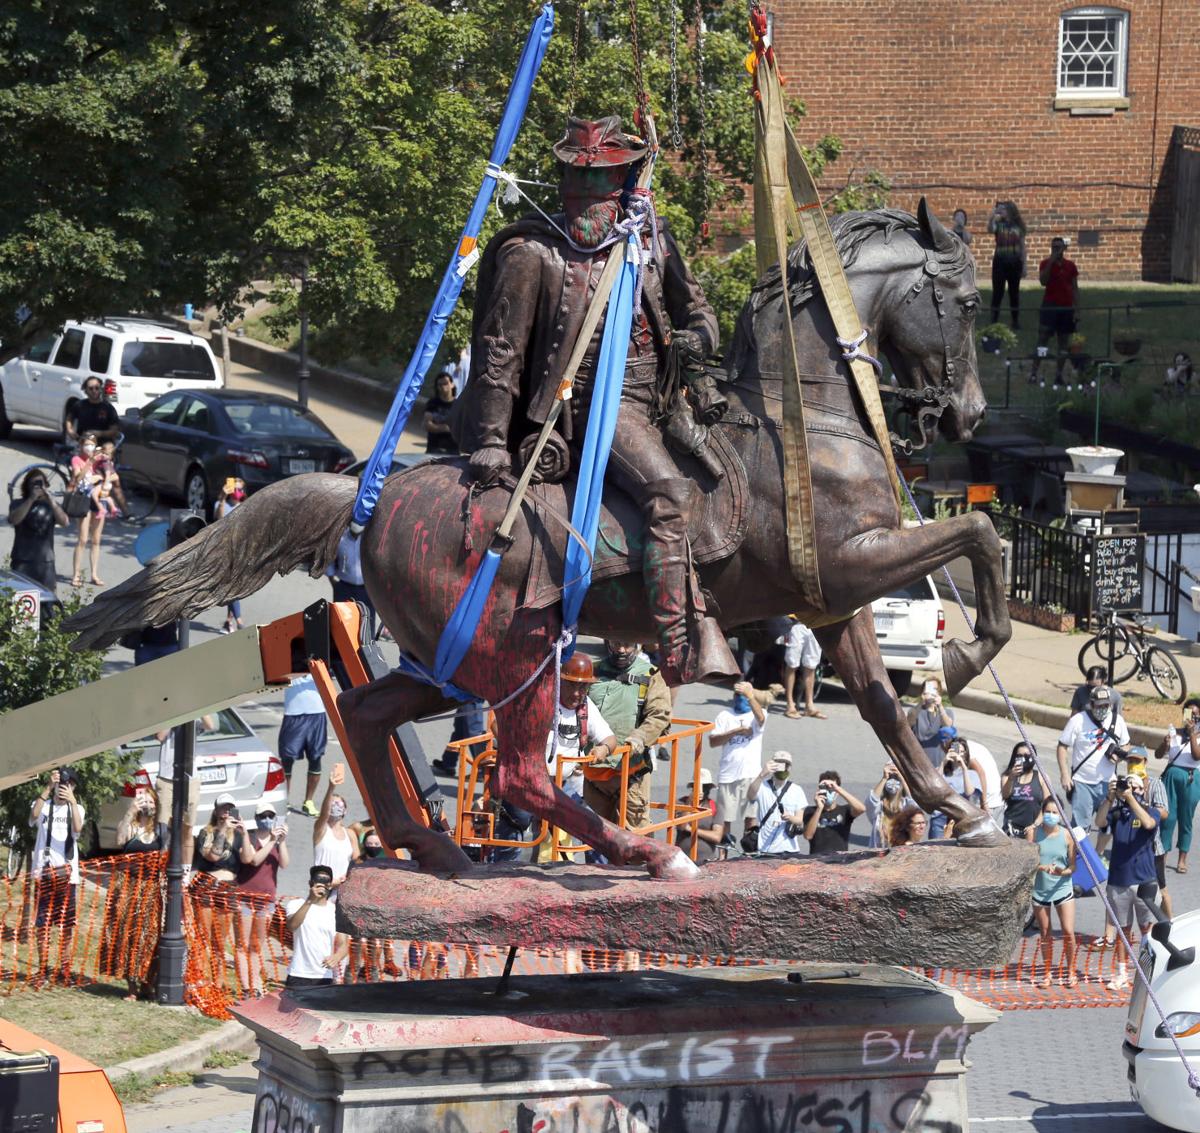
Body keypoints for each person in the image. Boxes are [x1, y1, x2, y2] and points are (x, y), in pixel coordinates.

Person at [453, 115, 723, 686]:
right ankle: (677, 641)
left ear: (626, 182)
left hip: (667, 400)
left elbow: (697, 310)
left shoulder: (650, 239)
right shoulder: (533, 252)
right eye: (580, 180)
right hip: (600, 408)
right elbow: (500, 349)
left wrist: (696, 339)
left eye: (604, 180)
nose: (590, 197)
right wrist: (492, 440)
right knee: (671, 496)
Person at [584, 639, 672, 829]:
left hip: (631, 773)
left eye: (628, 644)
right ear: (608, 643)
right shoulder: (593, 671)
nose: (622, 650)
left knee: (635, 838)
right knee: (595, 839)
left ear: (638, 645)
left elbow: (660, 715)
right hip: (595, 774)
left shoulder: (650, 674)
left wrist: (639, 737)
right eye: (616, 644)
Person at [1096, 769, 1160, 991]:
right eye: (1127, 785)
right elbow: (1100, 821)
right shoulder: (1116, 813)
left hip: (1144, 881)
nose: (1128, 789)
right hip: (1118, 880)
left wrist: (1131, 798)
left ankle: (1148, 972)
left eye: (1134, 786)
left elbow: (1149, 824)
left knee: (1147, 931)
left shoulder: (1151, 810)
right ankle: (1122, 972)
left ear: (1142, 790)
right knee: (1122, 930)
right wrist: (1110, 797)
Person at [103, 778, 166, 999]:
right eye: (143, 801)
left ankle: (148, 982)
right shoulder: (131, 826)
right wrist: (130, 812)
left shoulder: (160, 831)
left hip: (151, 890)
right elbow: (120, 839)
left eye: (151, 802)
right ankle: (131, 988)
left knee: (149, 938)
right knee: (127, 936)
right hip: (129, 888)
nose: (147, 805)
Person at [29, 768, 84, 984]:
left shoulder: (77, 808)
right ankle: (42, 969)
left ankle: (65, 970)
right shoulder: (45, 805)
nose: (63, 788)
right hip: (44, 871)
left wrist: (71, 801)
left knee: (67, 924)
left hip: (67, 874)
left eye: (67, 785)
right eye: (61, 784)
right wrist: (48, 788)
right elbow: (33, 817)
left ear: (73, 787)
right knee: (42, 924)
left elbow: (78, 829)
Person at [1057, 685, 1129, 839]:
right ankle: (1077, 859)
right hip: (1082, 783)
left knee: (1107, 824)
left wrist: (1119, 755)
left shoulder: (1118, 721)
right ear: (1091, 704)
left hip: (1108, 783)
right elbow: (1062, 747)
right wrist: (1064, 774)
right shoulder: (1078, 720)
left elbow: (1126, 744)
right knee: (1080, 829)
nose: (1102, 709)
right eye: (1099, 705)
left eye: (1106, 705)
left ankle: (1098, 856)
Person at [236, 799, 289, 998]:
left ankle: (255, 984)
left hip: (266, 900)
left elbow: (284, 863)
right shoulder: (249, 838)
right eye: (263, 816)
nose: (267, 820)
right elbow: (252, 859)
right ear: (256, 819)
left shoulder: (277, 841)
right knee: (242, 944)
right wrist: (273, 841)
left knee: (257, 945)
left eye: (270, 816)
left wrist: (281, 842)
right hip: (245, 897)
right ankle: (245, 986)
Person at [1026, 798, 1077, 988]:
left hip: (1063, 887)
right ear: (1042, 812)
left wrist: (1061, 871)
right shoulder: (1033, 833)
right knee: (1045, 933)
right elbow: (1027, 863)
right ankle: (1047, 973)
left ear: (1061, 815)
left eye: (1055, 812)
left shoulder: (1067, 835)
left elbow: (1073, 867)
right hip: (1040, 890)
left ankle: (1070, 970)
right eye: (1048, 811)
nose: (1051, 815)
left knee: (1068, 932)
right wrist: (1042, 868)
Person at [710, 681, 768, 838]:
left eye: (744, 695)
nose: (740, 698)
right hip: (728, 775)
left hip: (750, 775)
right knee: (724, 820)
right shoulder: (724, 715)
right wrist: (735, 732)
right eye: (738, 694)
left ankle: (750, 852)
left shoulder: (757, 713)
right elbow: (713, 742)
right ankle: (724, 856)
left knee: (750, 817)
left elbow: (761, 719)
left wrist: (750, 695)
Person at [284, 865, 349, 989]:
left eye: (325, 882)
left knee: (317, 1009)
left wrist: (337, 957)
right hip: (298, 973)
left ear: (330, 885)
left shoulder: (336, 912)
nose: (322, 885)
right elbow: (292, 926)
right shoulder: (296, 904)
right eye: (318, 880)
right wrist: (309, 900)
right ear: (310, 883)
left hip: (324, 976)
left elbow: (343, 945)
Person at [1156, 699, 1200, 875]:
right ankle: (1162, 854)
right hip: (1171, 777)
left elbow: (1197, 757)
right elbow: (1159, 755)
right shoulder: (1174, 732)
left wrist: (1193, 735)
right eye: (1189, 714)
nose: (1192, 718)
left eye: (1196, 715)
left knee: (1185, 818)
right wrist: (1164, 744)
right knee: (1167, 817)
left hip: (1192, 778)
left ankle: (1182, 858)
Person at [8, 468, 69, 593]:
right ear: (27, 486)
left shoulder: (52, 505)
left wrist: (50, 500)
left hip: (46, 562)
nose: (38, 487)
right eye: (34, 484)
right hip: (22, 561)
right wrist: (31, 499)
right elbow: (15, 520)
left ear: (46, 485)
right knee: (21, 601)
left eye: (41, 483)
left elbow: (64, 522)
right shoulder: (17, 503)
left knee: (48, 602)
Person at [1029, 236, 1080, 387]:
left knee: (1063, 343)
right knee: (1043, 340)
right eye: (1054, 247)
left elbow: (1075, 288)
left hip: (1066, 308)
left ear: (1064, 249)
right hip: (1050, 306)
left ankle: (1059, 374)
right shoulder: (1045, 263)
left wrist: (1077, 309)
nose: (1057, 250)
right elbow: (1043, 281)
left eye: (1059, 247)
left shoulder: (1070, 266)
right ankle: (1033, 372)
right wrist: (1051, 261)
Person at [280, 675, 328, 817]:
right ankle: (284, 800)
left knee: (315, 757)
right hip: (293, 713)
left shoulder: (320, 655)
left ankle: (308, 802)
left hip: (317, 713)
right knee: (287, 759)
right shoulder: (288, 655)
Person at [746, 752, 808, 855]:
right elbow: (750, 796)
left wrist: (790, 817)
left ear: (790, 768)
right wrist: (761, 775)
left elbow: (799, 820)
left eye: (786, 765)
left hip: (789, 849)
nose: (783, 768)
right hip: (765, 850)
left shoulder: (797, 790)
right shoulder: (762, 786)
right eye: (779, 764)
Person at [313, 762, 359, 897]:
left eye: (339, 803)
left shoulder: (349, 834)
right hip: (321, 887)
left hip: (341, 890)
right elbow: (324, 814)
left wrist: (347, 877)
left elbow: (357, 859)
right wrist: (331, 788)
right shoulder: (321, 829)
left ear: (345, 810)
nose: (335, 806)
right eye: (332, 803)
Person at [68, 432, 107, 587]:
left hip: (98, 499)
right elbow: (78, 477)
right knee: (83, 539)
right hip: (83, 499)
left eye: (92, 444)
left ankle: (94, 574)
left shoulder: (101, 460)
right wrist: (90, 461)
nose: (89, 447)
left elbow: (110, 475)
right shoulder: (77, 459)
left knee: (96, 540)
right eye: (86, 444)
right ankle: (76, 575)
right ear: (81, 446)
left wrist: (101, 476)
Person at [929, 733, 982, 840]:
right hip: (940, 817)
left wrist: (963, 767)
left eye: (962, 752)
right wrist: (944, 762)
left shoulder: (972, 774)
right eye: (955, 750)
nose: (958, 754)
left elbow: (969, 793)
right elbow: (933, 786)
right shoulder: (941, 770)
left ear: (966, 754)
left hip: (961, 818)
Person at [801, 770, 865, 854]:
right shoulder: (810, 811)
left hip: (840, 860)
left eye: (831, 789)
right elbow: (808, 836)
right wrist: (819, 808)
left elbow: (861, 809)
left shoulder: (844, 810)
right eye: (826, 789)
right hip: (817, 860)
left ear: (837, 792)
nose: (829, 792)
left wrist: (838, 789)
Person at [987, 200, 1026, 328]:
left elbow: (1022, 246)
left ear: (1010, 211)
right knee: (997, 292)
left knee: (1014, 293)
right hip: (1000, 262)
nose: (1001, 211)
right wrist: (992, 216)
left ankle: (1015, 321)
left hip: (1015, 262)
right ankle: (993, 320)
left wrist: (1024, 265)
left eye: (1003, 209)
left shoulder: (1018, 226)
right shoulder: (998, 224)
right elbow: (990, 229)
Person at [1000, 741, 1052, 837]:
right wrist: (1011, 778)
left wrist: (1036, 824)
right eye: (1019, 755)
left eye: (1027, 755)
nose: (1024, 759)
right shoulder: (1007, 776)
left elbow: (1048, 805)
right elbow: (1005, 795)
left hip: (1033, 829)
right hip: (1011, 829)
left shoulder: (1042, 777)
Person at [674, 768, 724, 864]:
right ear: (693, 787)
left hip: (706, 860)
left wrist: (691, 829)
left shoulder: (714, 806)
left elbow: (717, 836)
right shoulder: (681, 803)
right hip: (683, 859)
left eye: (705, 787)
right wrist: (690, 802)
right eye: (699, 786)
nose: (702, 790)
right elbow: (681, 826)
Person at [216, 478, 246, 633]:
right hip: (224, 553)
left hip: (240, 553)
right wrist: (221, 498)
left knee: (233, 588)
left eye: (241, 489)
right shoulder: (222, 504)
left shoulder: (246, 507)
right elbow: (220, 521)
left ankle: (229, 622)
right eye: (236, 488)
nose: (238, 492)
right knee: (232, 588)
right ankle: (239, 621)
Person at [780, 618, 825, 720]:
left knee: (811, 665)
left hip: (815, 623)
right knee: (792, 664)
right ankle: (790, 704)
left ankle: (809, 705)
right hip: (796, 623)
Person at [864, 761, 915, 849]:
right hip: (879, 855)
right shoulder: (878, 809)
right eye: (890, 778)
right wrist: (884, 778)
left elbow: (913, 804)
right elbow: (871, 801)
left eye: (896, 778)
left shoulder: (905, 805)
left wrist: (902, 777)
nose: (893, 780)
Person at [908, 679, 954, 767]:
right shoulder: (916, 711)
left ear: (939, 692)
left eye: (934, 689)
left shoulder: (947, 712)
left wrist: (940, 706)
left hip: (938, 761)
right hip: (917, 761)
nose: (930, 693)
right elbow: (909, 721)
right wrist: (921, 702)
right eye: (928, 689)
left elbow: (948, 725)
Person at [65, 377, 120, 443]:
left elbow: (114, 431)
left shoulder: (108, 408)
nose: (94, 391)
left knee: (109, 448)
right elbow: (69, 419)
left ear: (101, 389)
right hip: (83, 443)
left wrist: (98, 433)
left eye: (97, 388)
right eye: (91, 388)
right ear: (85, 391)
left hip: (103, 444)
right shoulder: (79, 405)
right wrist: (70, 431)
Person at [424, 371, 459, 455]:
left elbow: (461, 428)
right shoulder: (432, 403)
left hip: (452, 450)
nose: (443, 387)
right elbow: (427, 425)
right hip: (434, 448)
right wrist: (447, 428)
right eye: (440, 384)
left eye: (446, 383)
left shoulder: (459, 405)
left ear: (452, 385)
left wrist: (437, 427)